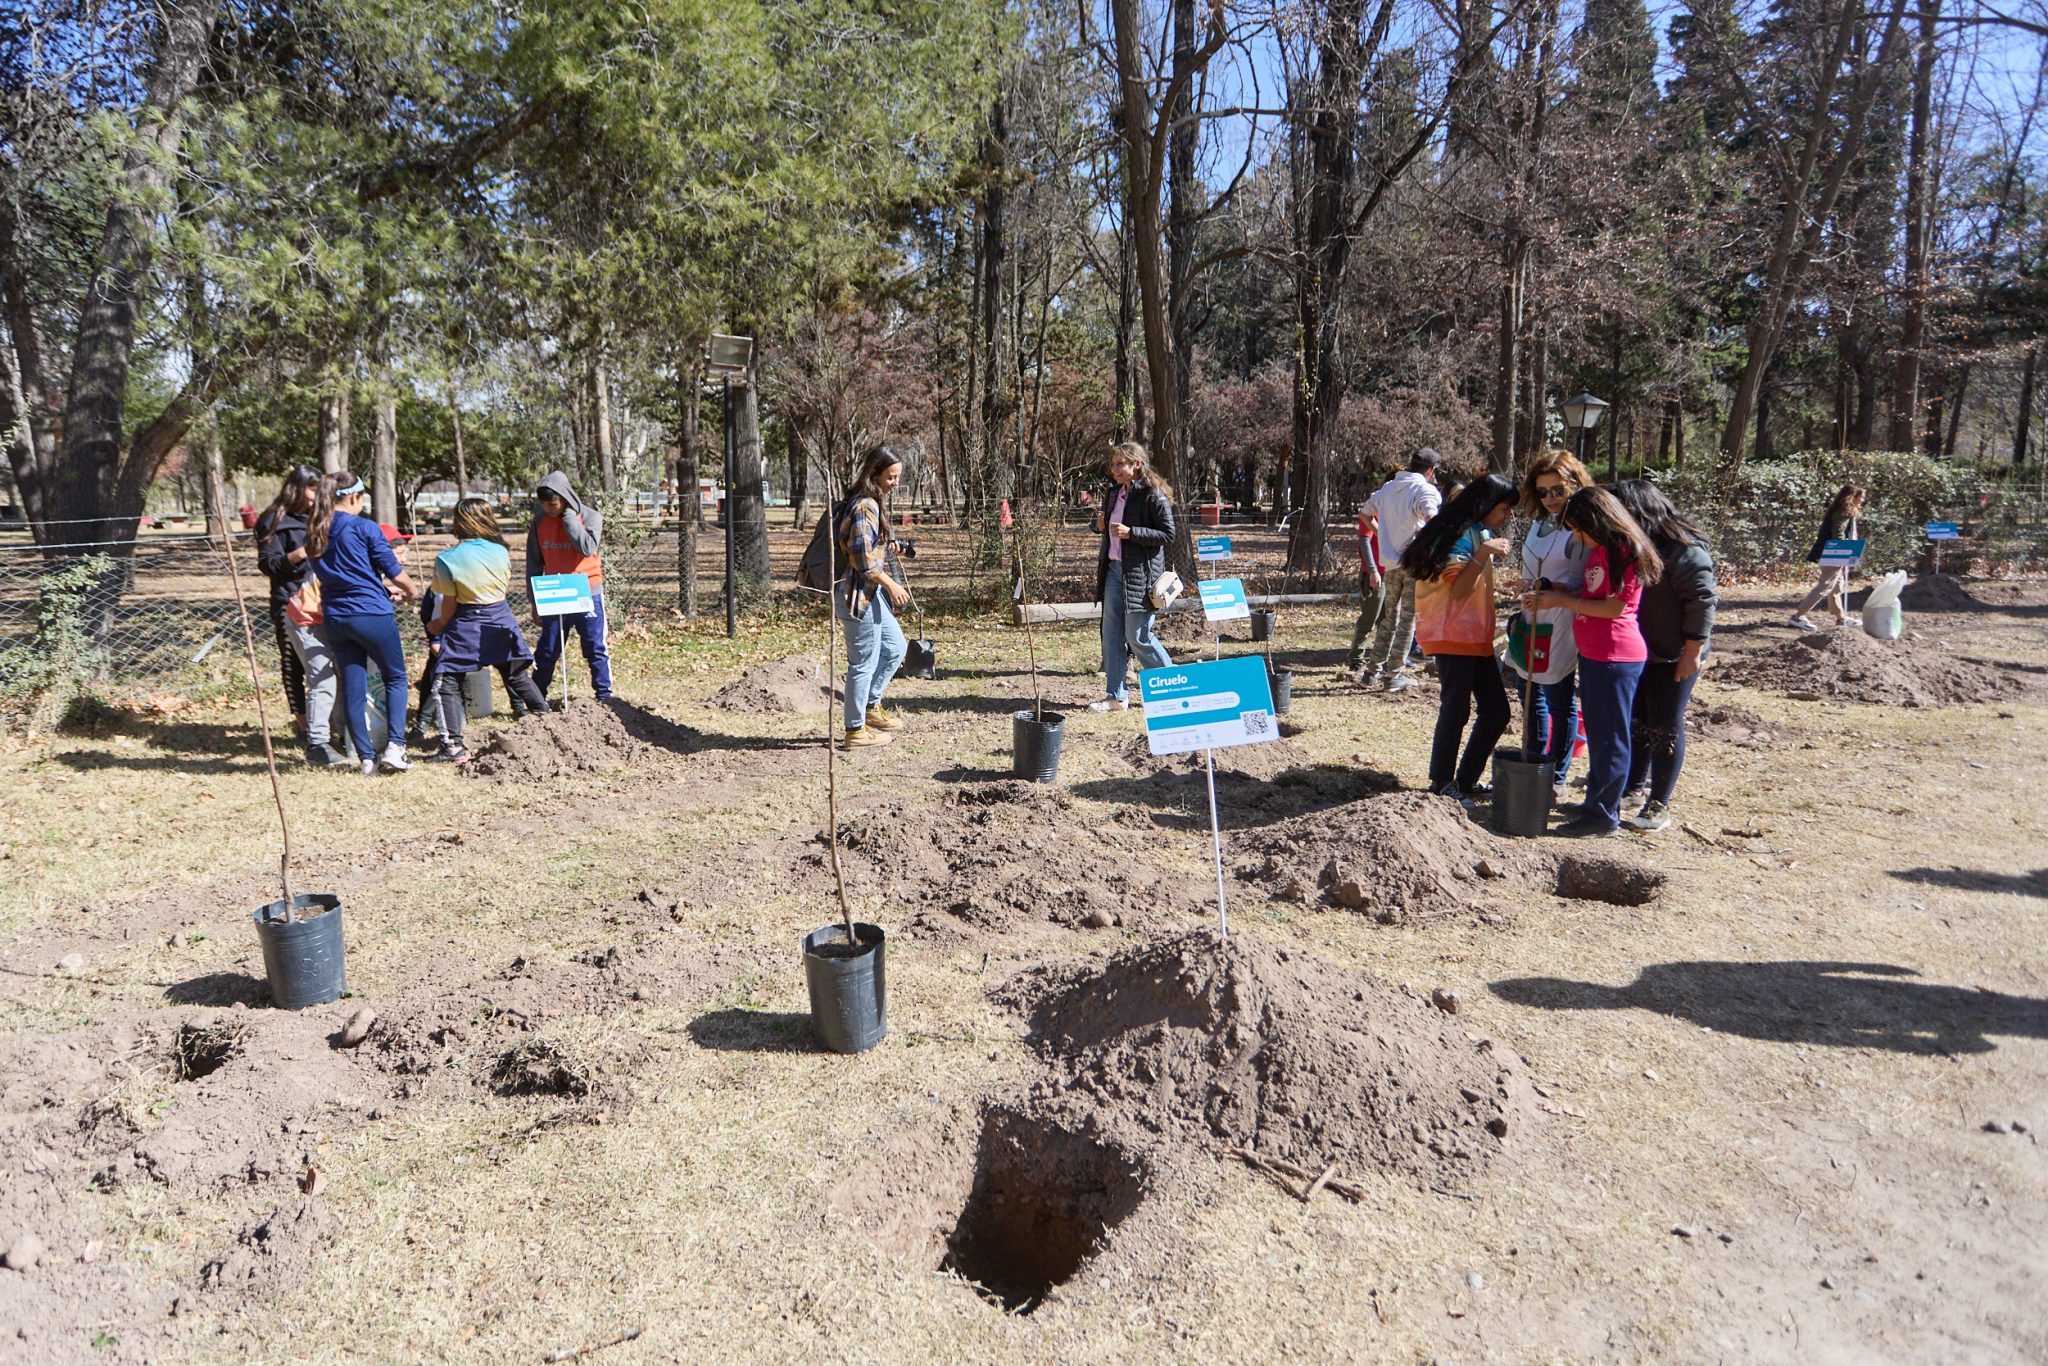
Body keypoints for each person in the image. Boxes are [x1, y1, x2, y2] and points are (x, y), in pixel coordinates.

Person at [1525, 488, 1664, 837]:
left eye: (1578, 529)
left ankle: (1602, 817)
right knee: (1600, 736)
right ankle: (1597, 803)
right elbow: (1591, 595)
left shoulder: (1625, 551)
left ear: (1597, 521)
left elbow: (1613, 608)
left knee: (1609, 738)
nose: (1575, 536)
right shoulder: (1602, 551)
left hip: (1614, 656)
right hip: (1594, 654)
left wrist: (1560, 602)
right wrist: (1554, 591)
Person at [1402, 473, 1517, 804]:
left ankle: (1464, 782)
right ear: (1487, 504)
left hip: (1473, 635)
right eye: (1505, 508)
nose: (1507, 515)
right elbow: (1459, 589)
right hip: (1451, 633)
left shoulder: (1476, 531)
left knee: (1497, 711)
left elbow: (1472, 582)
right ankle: (1441, 784)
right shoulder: (1460, 535)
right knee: (1456, 709)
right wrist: (1484, 553)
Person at [1613, 480, 1719, 832]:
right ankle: (1632, 789)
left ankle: (1659, 803)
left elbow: (1702, 601)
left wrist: (1692, 651)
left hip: (1675, 654)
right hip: (1642, 651)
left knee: (1666, 726)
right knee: (1639, 720)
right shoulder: (1636, 545)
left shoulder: (1685, 550)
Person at [422, 498, 551, 764]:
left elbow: (449, 604)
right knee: (516, 675)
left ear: (459, 522)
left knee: (446, 678)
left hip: (467, 623)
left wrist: (438, 625)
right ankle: (547, 721)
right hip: (501, 618)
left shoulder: (447, 559)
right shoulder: (501, 551)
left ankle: (452, 747)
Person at [308, 470, 420, 775]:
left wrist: (379, 587)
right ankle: (396, 748)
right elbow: (394, 570)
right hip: (371, 614)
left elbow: (346, 573)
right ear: (354, 497)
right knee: (395, 677)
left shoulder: (316, 530)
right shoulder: (364, 527)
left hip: (336, 616)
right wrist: (411, 592)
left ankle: (366, 759)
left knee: (352, 686)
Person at [1508, 449, 1592, 799]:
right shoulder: (1539, 523)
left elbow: (1585, 583)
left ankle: (1555, 775)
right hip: (1531, 617)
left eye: (1558, 490)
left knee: (1559, 698)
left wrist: (1549, 589)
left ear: (1575, 483)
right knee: (1529, 695)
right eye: (1542, 492)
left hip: (1562, 621)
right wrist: (1528, 584)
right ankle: (1533, 765)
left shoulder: (1582, 528)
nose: (1550, 498)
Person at [254, 466, 349, 767]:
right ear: (296, 488)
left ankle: (331, 726)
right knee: (293, 665)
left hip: (320, 601)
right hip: (289, 602)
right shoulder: (273, 520)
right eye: (312, 489)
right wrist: (300, 553)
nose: (316, 496)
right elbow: (268, 565)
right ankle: (305, 726)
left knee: (326, 666)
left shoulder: (317, 516)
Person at [1087, 440, 1178, 712]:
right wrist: (1098, 525)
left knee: (1137, 636)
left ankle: (1174, 687)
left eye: (1121, 463)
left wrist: (1132, 533)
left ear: (1136, 464)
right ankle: (1116, 697)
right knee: (1111, 636)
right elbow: (1105, 527)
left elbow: (1168, 534)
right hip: (1114, 571)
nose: (1114, 469)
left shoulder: (1153, 494)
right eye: (1112, 464)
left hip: (1141, 576)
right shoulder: (1114, 492)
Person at [835, 446, 914, 749]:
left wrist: (888, 545)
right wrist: (892, 585)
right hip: (855, 593)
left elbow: (867, 547)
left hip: (869, 591)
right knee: (863, 662)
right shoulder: (865, 506)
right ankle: (854, 730)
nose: (895, 482)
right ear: (875, 473)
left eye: (897, 477)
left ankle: (870, 707)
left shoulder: (872, 503)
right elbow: (863, 561)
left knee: (895, 647)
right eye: (891, 477)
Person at [1357, 448, 1443, 691]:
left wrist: (1382, 535)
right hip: (1414, 564)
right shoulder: (1424, 489)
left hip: (1392, 564)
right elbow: (1432, 519)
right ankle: (1394, 674)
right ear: (1431, 470)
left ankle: (1372, 671)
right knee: (1407, 619)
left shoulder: (1388, 489)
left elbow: (1364, 514)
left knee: (1389, 618)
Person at [527, 471, 612, 701]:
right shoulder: (539, 521)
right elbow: (534, 563)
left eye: (553, 504)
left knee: (595, 647)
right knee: (547, 650)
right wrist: (534, 602)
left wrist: (569, 518)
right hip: (555, 593)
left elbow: (586, 548)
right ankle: (537, 699)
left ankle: (605, 697)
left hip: (587, 591)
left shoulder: (590, 517)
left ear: (565, 498)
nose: (548, 509)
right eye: (544, 504)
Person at [1790, 484, 1865, 631]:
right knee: (1826, 585)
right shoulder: (1844, 512)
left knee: (1836, 586)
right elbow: (1838, 532)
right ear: (1852, 497)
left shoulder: (1839, 510)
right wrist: (1844, 553)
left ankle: (1841, 618)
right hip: (1832, 553)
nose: (1863, 500)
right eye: (1861, 497)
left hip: (1831, 552)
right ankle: (1798, 616)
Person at [1343, 484, 1388, 678]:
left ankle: (1381, 660)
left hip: (1393, 572)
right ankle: (1356, 659)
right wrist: (1372, 571)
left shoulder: (1397, 511)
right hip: (1375, 573)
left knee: (1387, 620)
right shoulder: (1372, 508)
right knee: (1369, 618)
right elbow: (1364, 541)